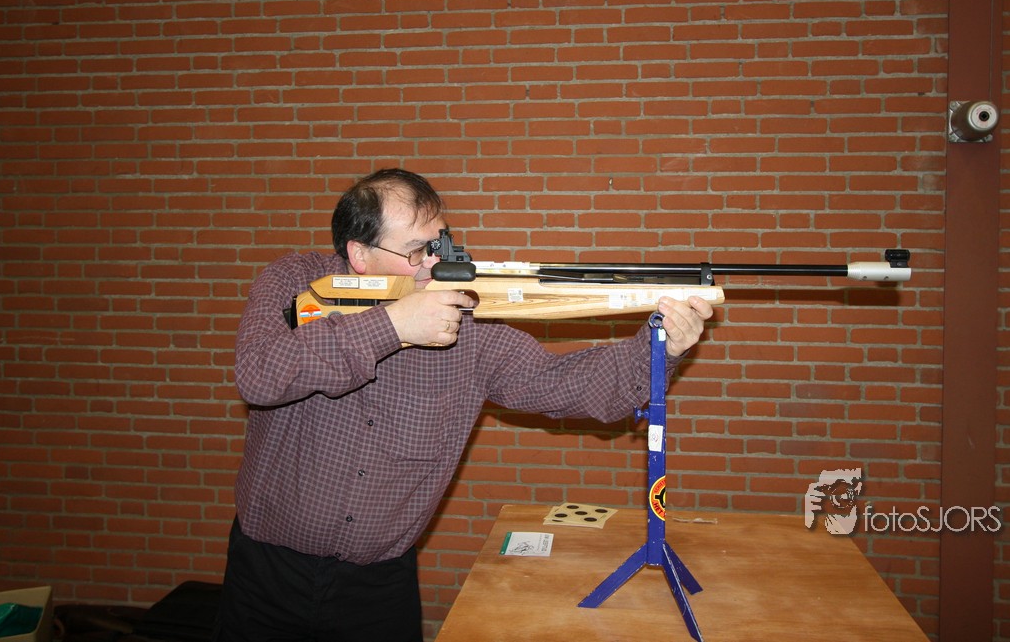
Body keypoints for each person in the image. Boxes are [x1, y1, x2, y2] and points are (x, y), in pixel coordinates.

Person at [214, 168, 715, 642]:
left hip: (376, 586)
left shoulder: (466, 324)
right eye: (416, 251)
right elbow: (260, 376)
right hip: (264, 574)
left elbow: (566, 385)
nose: (435, 263)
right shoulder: (295, 281)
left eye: (439, 243)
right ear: (359, 255)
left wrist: (659, 347)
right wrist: (393, 326)